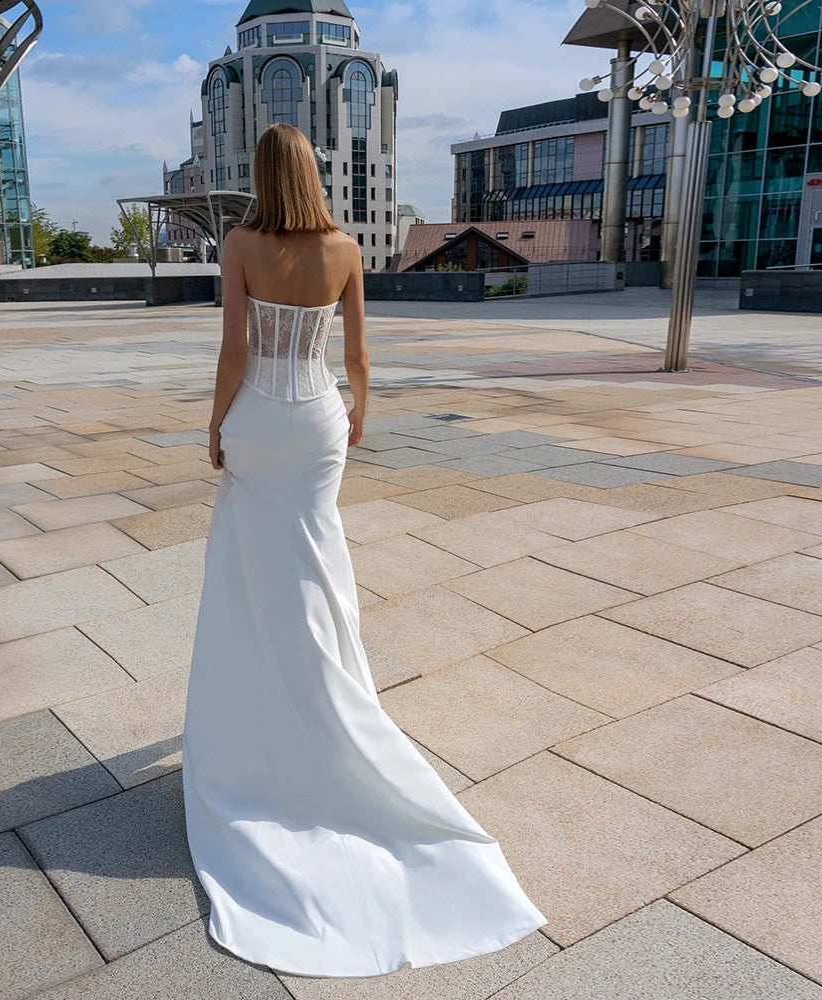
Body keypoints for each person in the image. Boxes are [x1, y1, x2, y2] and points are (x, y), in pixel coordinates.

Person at [181, 122, 547, 978]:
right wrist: (359, 413)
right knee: (316, 560)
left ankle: (268, 697)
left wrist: (214, 425)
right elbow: (357, 355)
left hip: (261, 421)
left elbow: (234, 348)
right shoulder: (345, 248)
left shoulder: (239, 242)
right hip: (316, 421)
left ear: (264, 175)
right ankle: (328, 680)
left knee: (247, 563)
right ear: (313, 171)